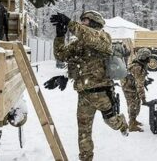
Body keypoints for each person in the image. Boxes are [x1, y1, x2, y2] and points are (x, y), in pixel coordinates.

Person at [50, 11, 129, 161]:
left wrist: (70, 23)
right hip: (84, 94)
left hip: (102, 93)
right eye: (81, 21)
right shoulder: (80, 42)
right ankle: (86, 158)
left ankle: (122, 123)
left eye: (85, 21)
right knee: (84, 131)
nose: (82, 23)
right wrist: (60, 36)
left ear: (95, 22)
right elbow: (61, 55)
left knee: (112, 123)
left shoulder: (103, 37)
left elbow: (90, 37)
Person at [121, 48, 151, 132]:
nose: (149, 59)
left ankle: (133, 120)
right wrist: (143, 98)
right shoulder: (138, 67)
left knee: (137, 103)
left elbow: (138, 81)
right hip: (128, 87)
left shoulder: (139, 64)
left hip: (132, 85)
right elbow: (139, 85)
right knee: (133, 104)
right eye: (148, 57)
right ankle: (131, 124)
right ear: (144, 57)